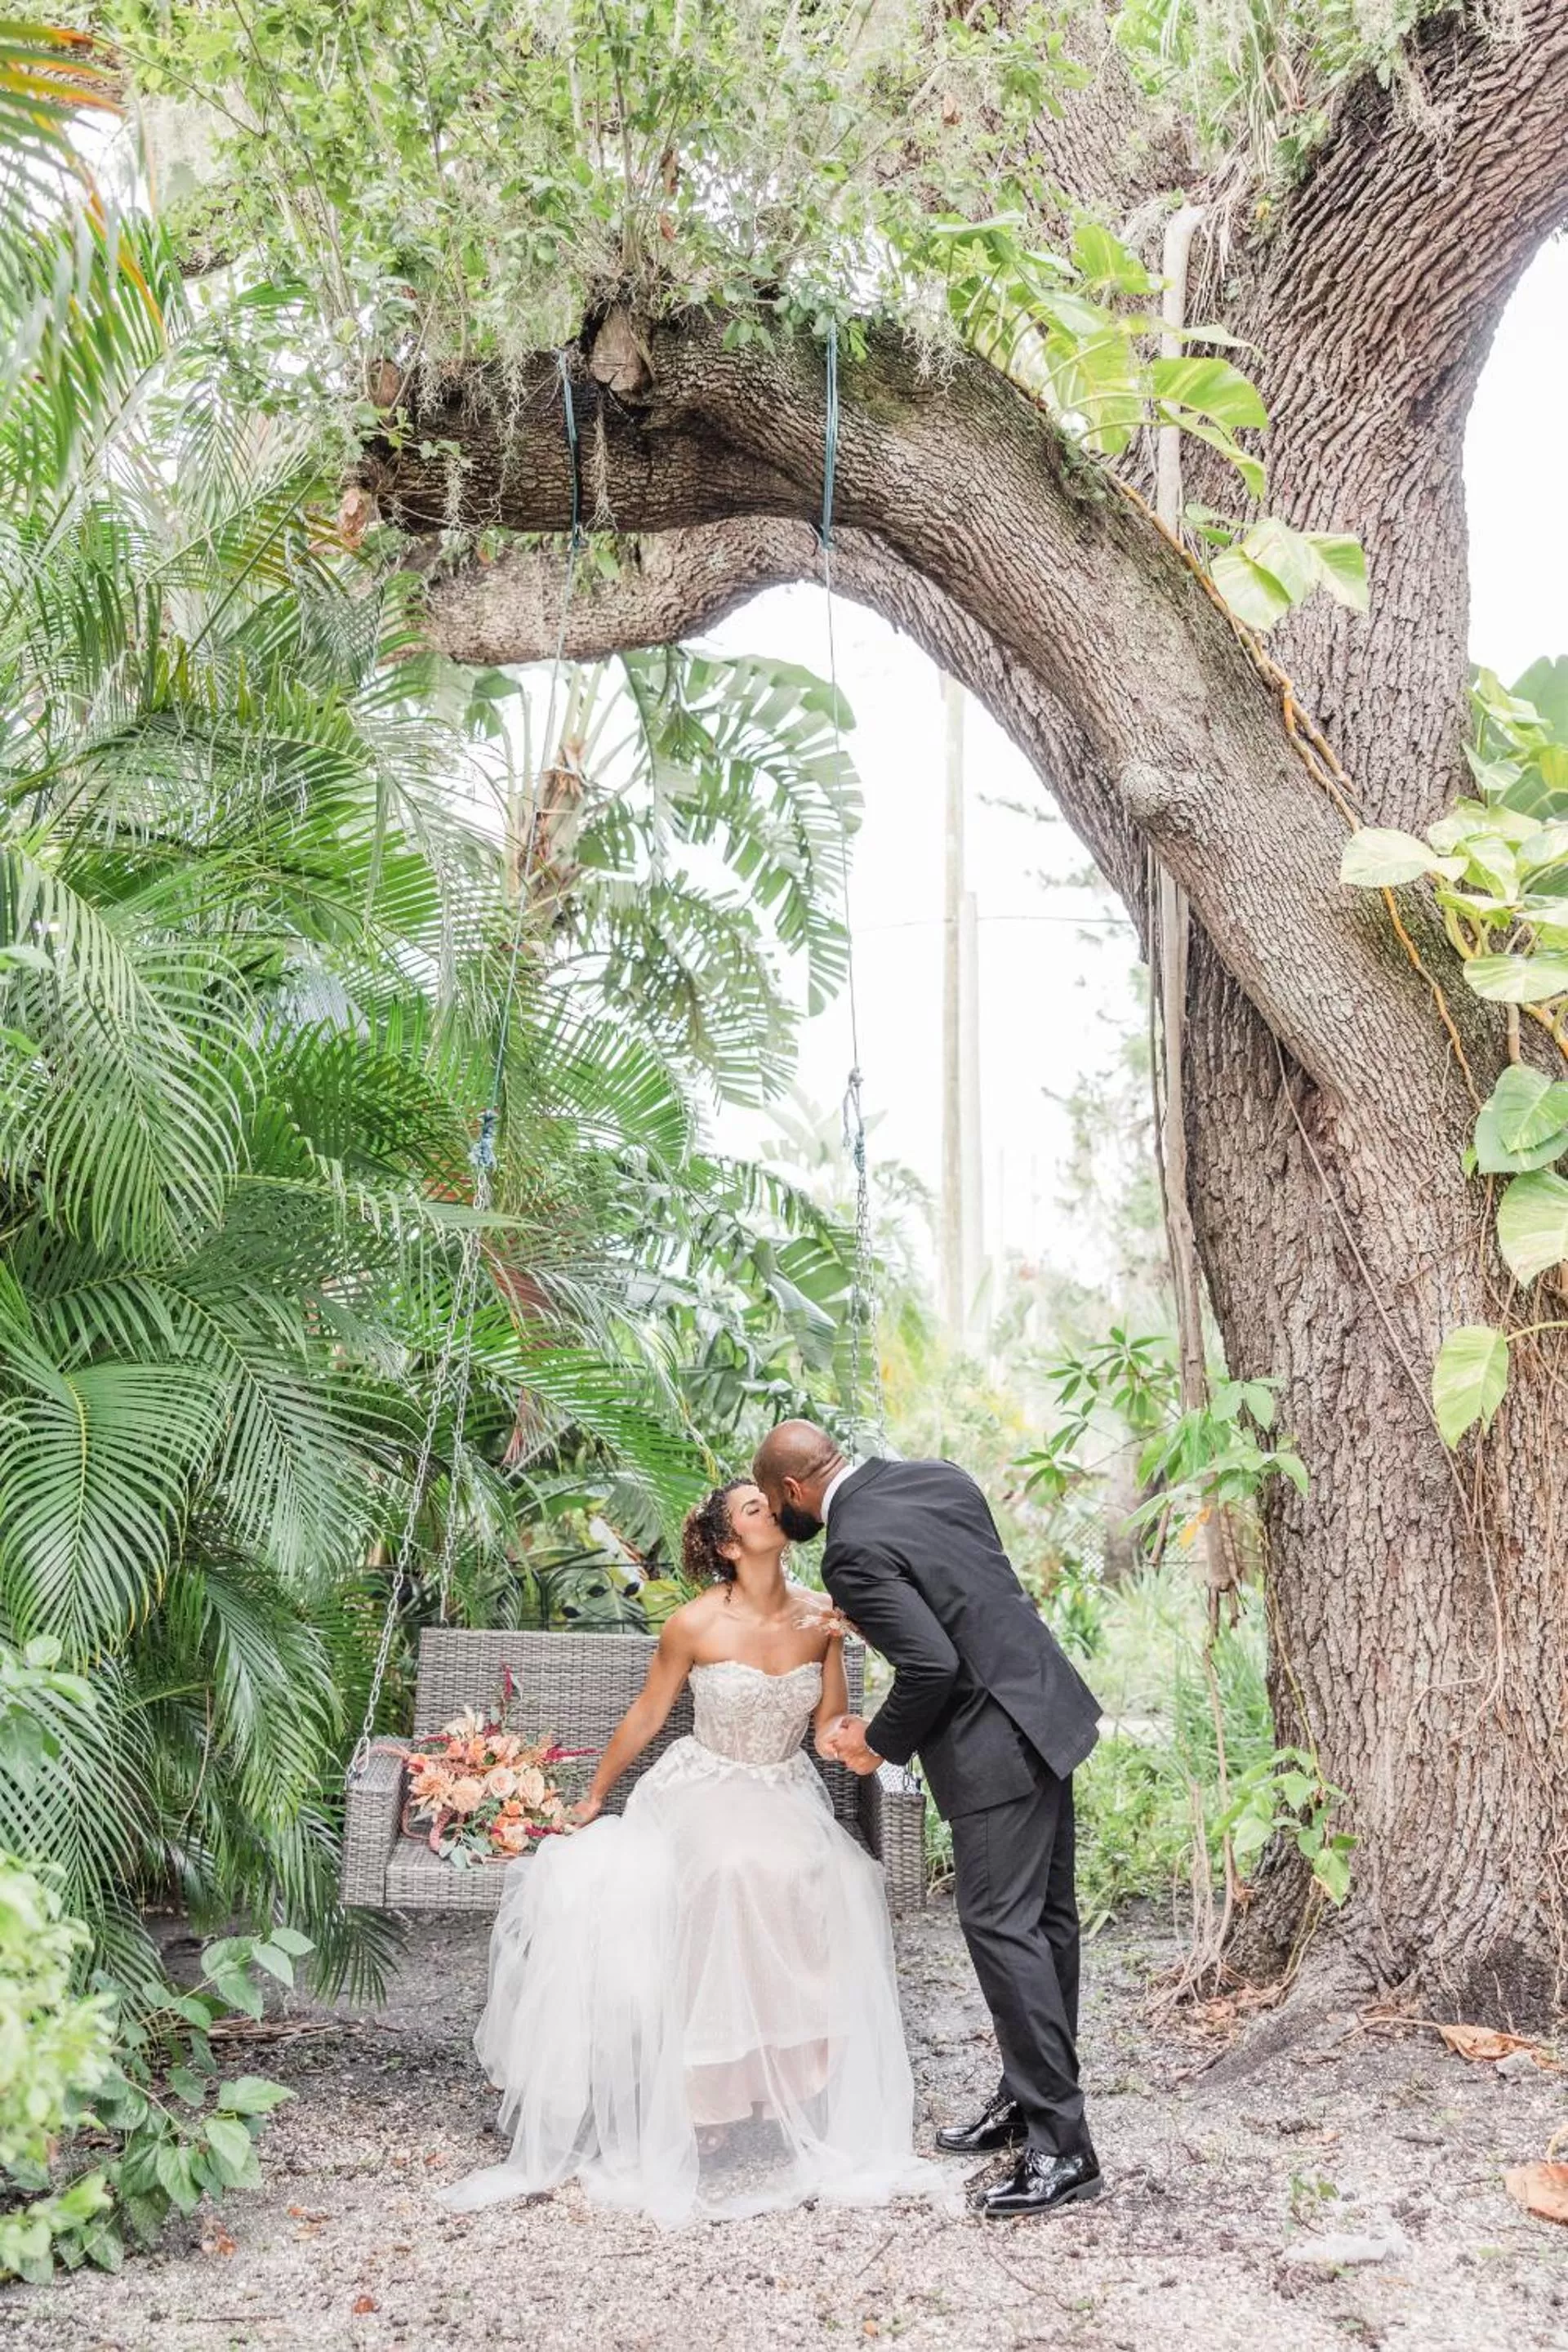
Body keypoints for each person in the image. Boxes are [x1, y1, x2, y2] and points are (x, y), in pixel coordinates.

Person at [439, 1478, 949, 2226]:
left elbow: (828, 1728)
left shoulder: (822, 1620)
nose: (770, 1509)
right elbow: (647, 1715)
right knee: (727, 1869)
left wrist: (868, 1735)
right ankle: (701, 2095)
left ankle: (782, 2085)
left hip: (783, 1786)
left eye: (769, 1502)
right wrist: (593, 1796)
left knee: (835, 1873)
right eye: (751, 1508)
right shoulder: (694, 1624)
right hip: (703, 1784)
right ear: (727, 1544)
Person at [753, 1422, 1103, 2219]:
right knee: (1047, 1924)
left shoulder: (848, 1549)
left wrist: (877, 1745)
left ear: (793, 1492)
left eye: (780, 1507)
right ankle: (1029, 2099)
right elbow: (960, 1590)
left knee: (1002, 1928)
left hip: (989, 1749)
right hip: (1045, 1708)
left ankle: (1062, 2147)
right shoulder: (939, 1477)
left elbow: (934, 1665)